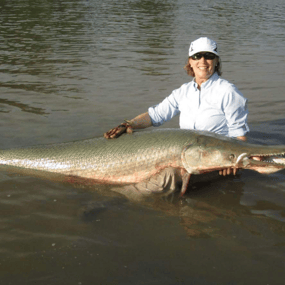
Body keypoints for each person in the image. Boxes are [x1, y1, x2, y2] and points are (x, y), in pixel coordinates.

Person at [104, 37, 249, 176]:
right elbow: (156, 116)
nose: (203, 61)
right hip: (187, 159)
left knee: (165, 179)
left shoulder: (228, 92)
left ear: (216, 61)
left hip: (214, 163)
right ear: (190, 62)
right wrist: (128, 124)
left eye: (209, 56)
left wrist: (231, 163)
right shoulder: (183, 92)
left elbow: (239, 138)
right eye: (197, 56)